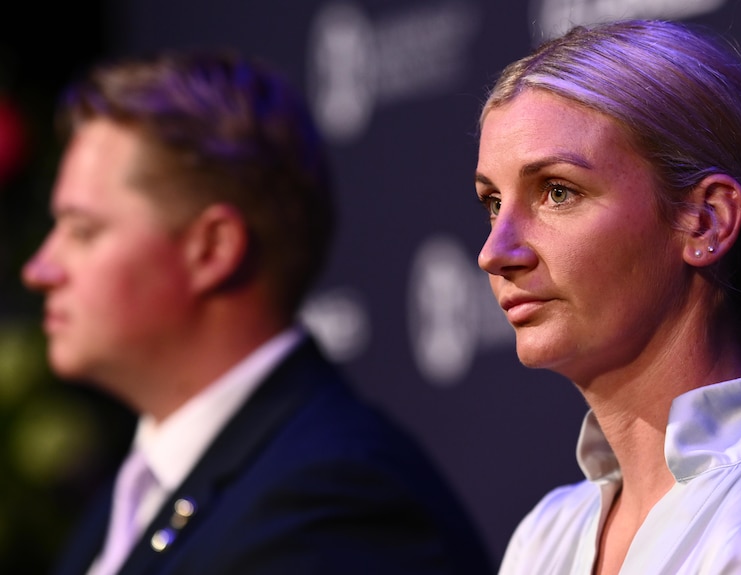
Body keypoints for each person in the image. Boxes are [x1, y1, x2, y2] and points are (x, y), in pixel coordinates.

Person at [22, 49, 493, 575]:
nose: (39, 269)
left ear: (213, 249)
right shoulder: (129, 496)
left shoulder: (334, 503)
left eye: (83, 232)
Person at [473, 19, 741, 574]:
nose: (495, 250)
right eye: (492, 202)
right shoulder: (546, 537)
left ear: (705, 222)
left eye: (558, 192)